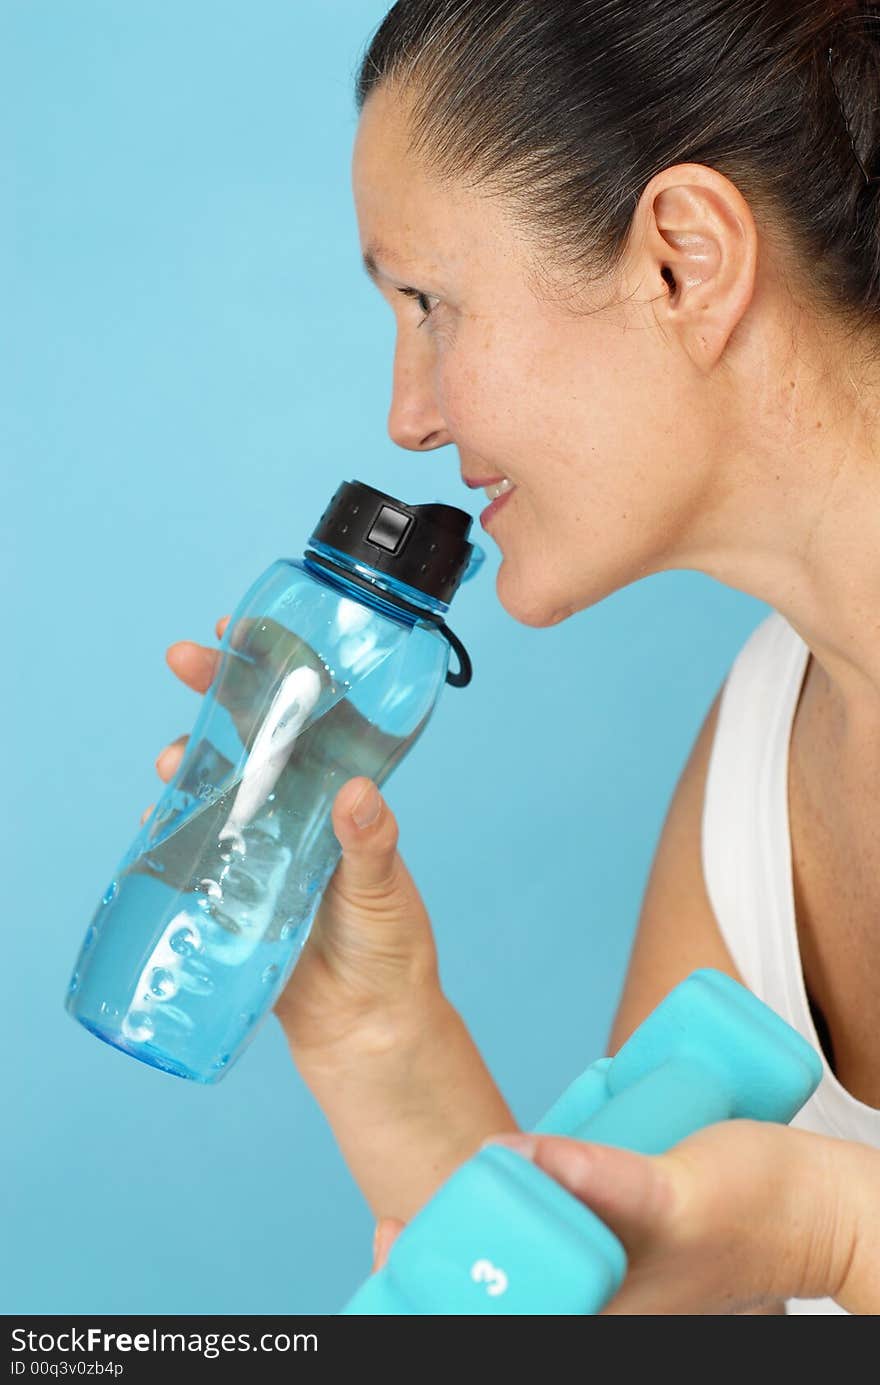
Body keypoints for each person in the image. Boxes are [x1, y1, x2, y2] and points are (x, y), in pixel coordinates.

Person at [147, 1, 880, 1313]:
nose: (408, 416)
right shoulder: (762, 752)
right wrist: (380, 1034)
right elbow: (599, 1313)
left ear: (684, 261)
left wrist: (837, 1237)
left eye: (430, 301)